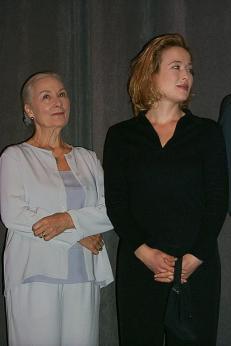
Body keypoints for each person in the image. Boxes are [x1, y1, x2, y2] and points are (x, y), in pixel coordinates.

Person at [103, 33, 228, 346]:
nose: (186, 75)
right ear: (150, 74)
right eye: (176, 67)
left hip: (195, 267)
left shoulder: (207, 133)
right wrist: (145, 253)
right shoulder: (121, 136)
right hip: (140, 265)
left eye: (190, 69)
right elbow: (117, 203)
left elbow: (217, 199)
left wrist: (195, 257)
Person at [0, 71, 113, 346]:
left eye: (62, 94)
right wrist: (76, 233)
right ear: (30, 110)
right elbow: (14, 214)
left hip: (84, 274)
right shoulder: (15, 157)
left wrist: (66, 220)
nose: (57, 102)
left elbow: (110, 210)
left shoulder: (87, 158)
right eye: (46, 97)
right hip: (33, 276)